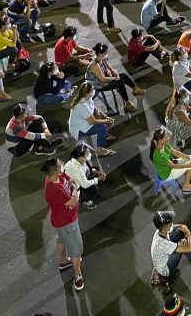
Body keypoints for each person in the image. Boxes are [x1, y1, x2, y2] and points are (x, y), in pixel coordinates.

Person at [43, 158, 85, 292]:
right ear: (55, 172)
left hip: (60, 222)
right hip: (67, 222)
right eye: (59, 165)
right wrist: (75, 190)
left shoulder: (55, 177)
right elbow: (73, 201)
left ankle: (62, 261)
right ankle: (78, 275)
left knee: (61, 239)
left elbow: (69, 179)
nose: (61, 165)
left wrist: (72, 184)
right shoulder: (54, 190)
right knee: (76, 249)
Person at [150, 210, 191, 283]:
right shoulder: (163, 244)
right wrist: (187, 232)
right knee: (183, 245)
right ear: (165, 228)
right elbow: (188, 248)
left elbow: (174, 227)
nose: (173, 224)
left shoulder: (160, 230)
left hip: (164, 258)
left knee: (179, 232)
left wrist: (181, 226)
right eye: (170, 223)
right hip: (167, 268)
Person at [67, 82, 115, 156]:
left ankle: (104, 135)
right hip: (79, 129)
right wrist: (106, 121)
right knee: (103, 127)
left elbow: (94, 108)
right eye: (92, 89)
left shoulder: (86, 97)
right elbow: (92, 121)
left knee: (105, 121)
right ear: (88, 92)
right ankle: (100, 150)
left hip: (84, 122)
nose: (94, 90)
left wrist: (105, 117)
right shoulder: (81, 105)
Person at [150, 126, 191, 195]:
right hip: (168, 174)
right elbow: (173, 166)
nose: (168, 138)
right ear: (160, 140)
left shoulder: (164, 144)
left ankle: (189, 173)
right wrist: (189, 165)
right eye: (165, 137)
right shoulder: (159, 155)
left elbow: (176, 153)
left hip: (170, 166)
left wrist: (188, 157)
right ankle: (186, 186)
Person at [64, 142, 106, 210]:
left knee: (96, 169)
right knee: (94, 188)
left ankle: (88, 195)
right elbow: (85, 184)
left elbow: (86, 169)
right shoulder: (76, 169)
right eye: (87, 154)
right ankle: (85, 200)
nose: (89, 155)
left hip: (79, 180)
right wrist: (97, 179)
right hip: (74, 189)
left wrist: (96, 172)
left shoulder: (79, 160)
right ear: (81, 157)